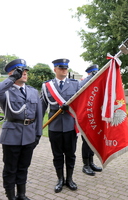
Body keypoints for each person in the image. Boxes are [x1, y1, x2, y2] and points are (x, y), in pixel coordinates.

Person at [0, 59, 42, 200]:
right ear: (12, 73)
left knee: (23, 167)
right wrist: (12, 78)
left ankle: (21, 194)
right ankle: (11, 196)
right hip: (11, 136)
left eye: (26, 71)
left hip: (29, 136)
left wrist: (38, 134)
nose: (25, 74)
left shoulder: (33, 92)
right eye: (21, 72)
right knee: (10, 169)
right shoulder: (5, 91)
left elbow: (39, 114)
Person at [41, 58, 86, 193]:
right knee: (57, 155)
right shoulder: (47, 86)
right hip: (54, 126)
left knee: (70, 154)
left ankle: (69, 179)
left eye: (65, 68)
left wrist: (71, 107)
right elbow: (42, 107)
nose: (64, 70)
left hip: (70, 125)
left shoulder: (75, 84)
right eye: (61, 68)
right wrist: (36, 126)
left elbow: (81, 104)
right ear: (55, 69)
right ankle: (60, 179)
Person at [80, 64, 103, 176]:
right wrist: (90, 78)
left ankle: (91, 162)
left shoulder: (96, 85)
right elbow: (79, 89)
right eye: (94, 73)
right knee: (86, 142)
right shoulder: (84, 82)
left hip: (94, 117)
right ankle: (86, 165)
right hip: (85, 117)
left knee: (92, 141)